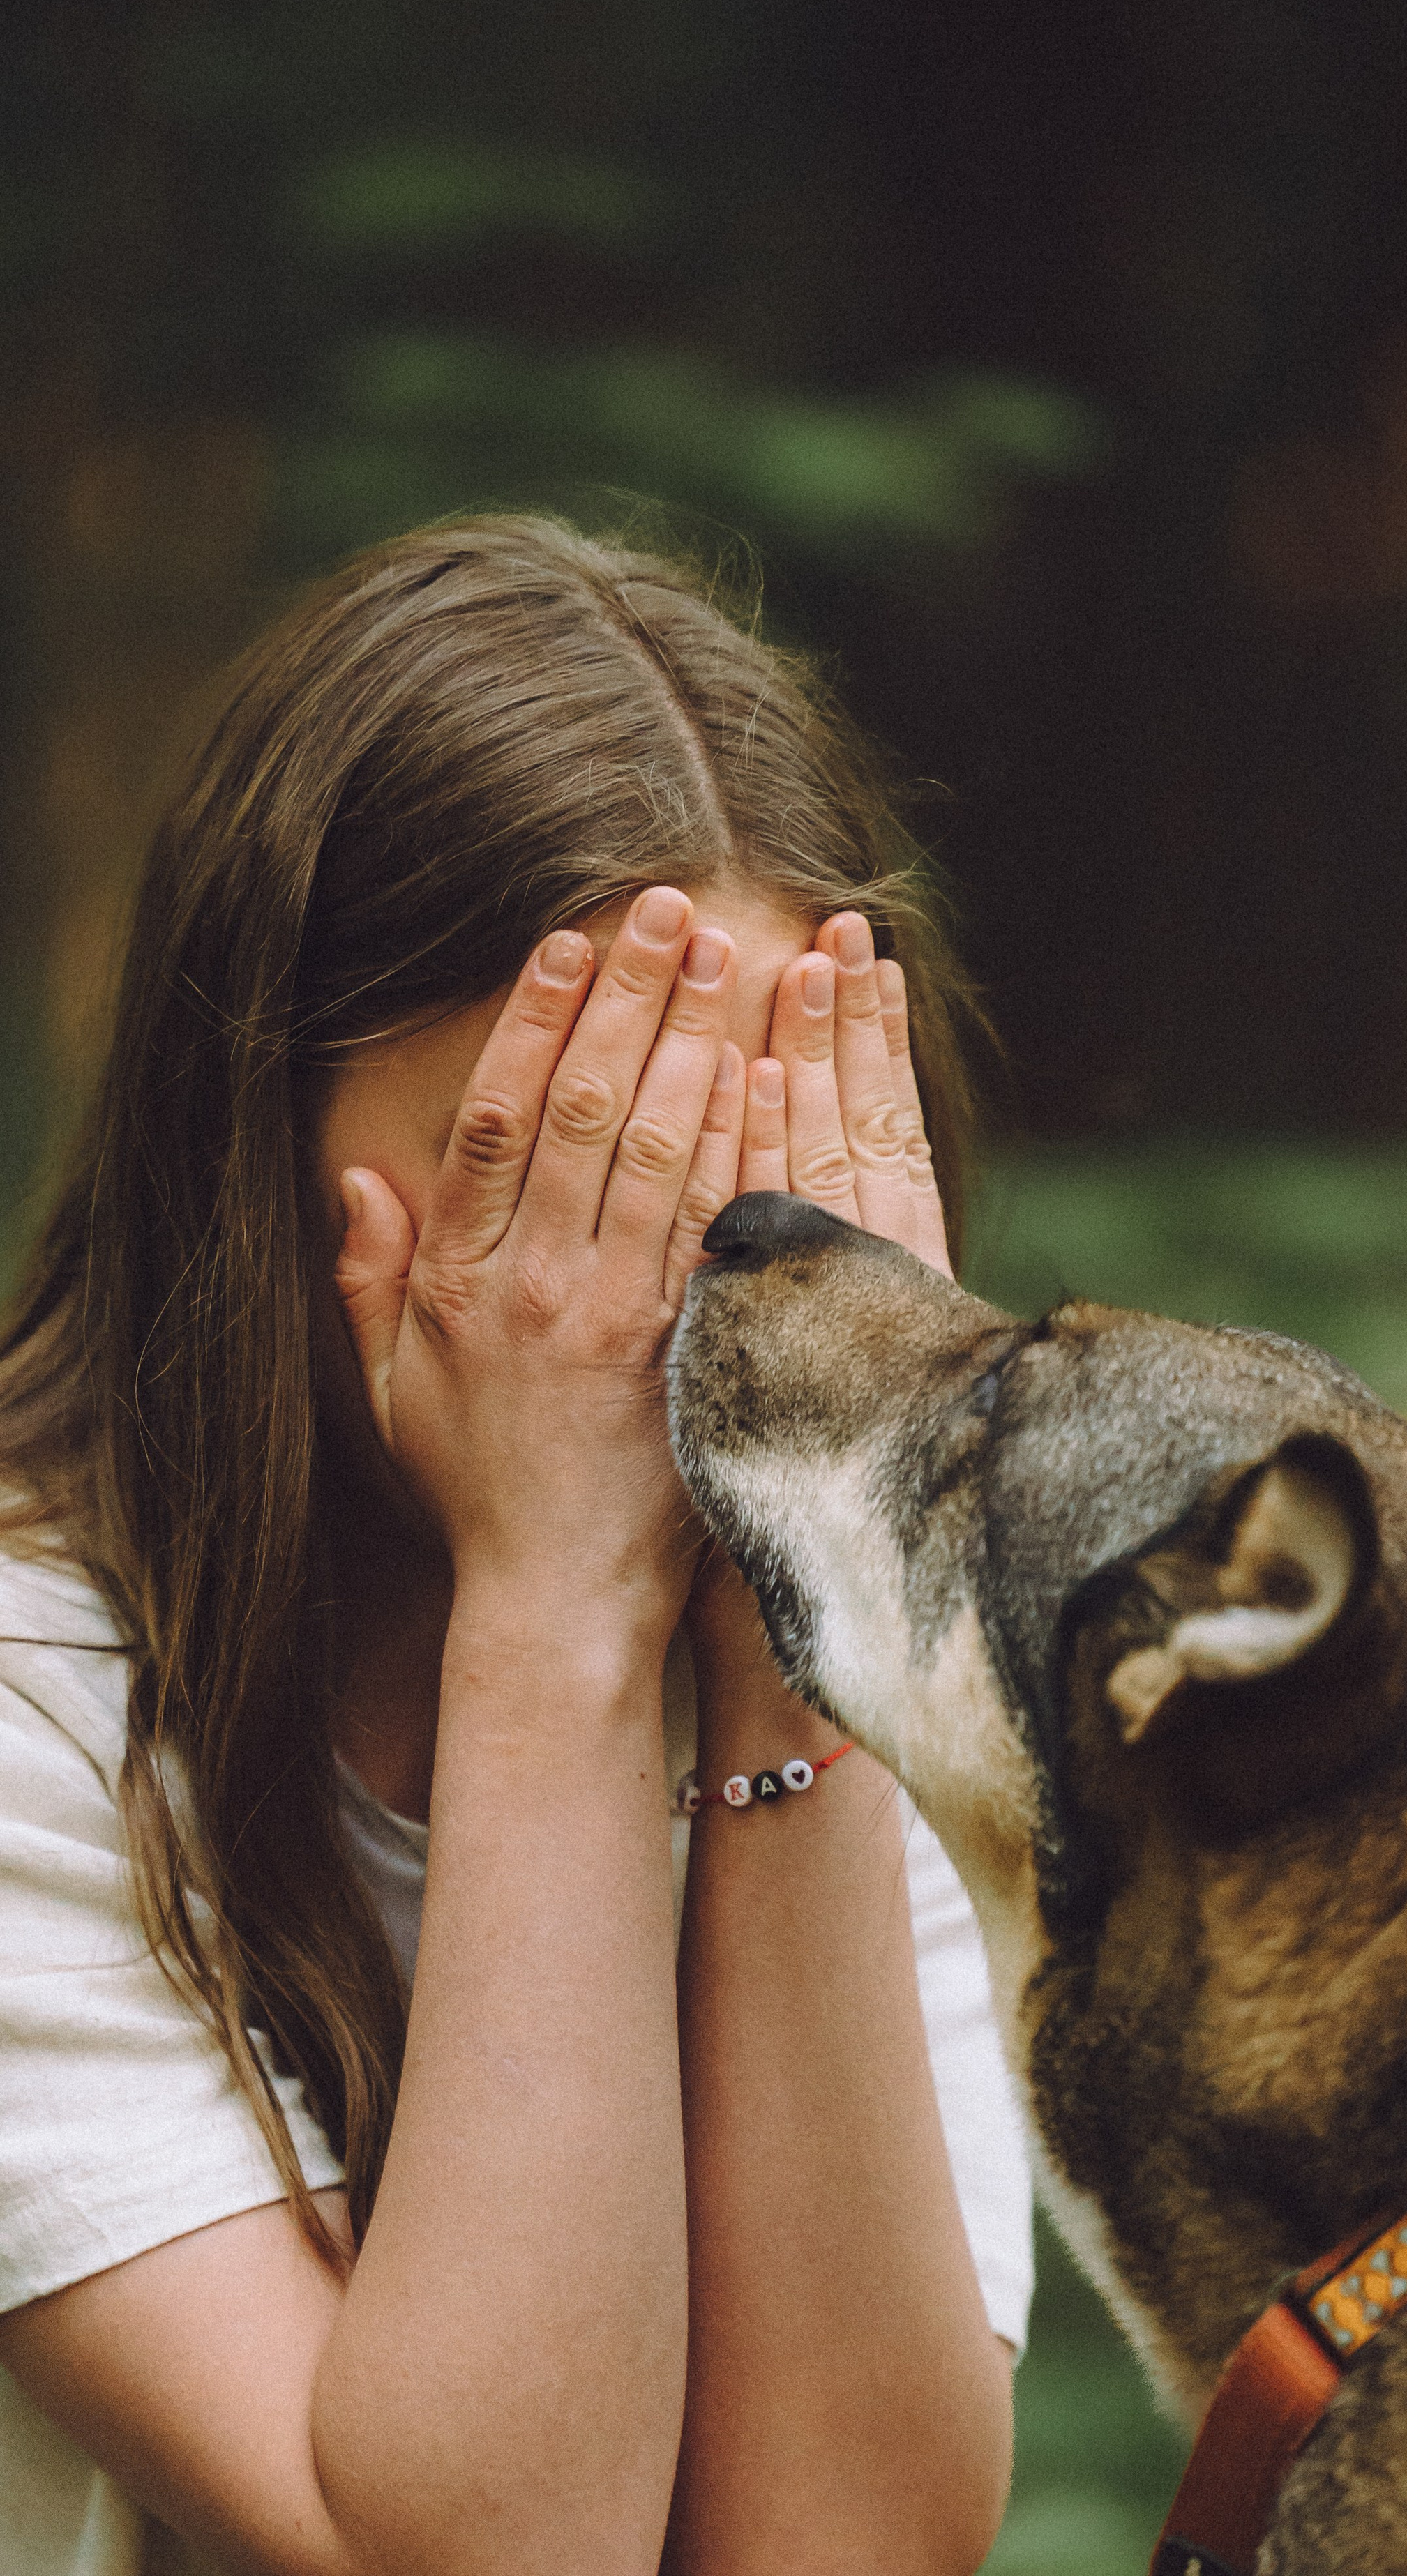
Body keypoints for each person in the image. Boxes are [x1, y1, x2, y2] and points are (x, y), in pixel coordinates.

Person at [0, 518, 1032, 2576]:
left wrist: (799, 1616)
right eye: (566, 1161)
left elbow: (842, 2554)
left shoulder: (838, 1657)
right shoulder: (31, 1699)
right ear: (252, 1153)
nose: (672, 1299)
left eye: (749, 1175)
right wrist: (556, 1609)